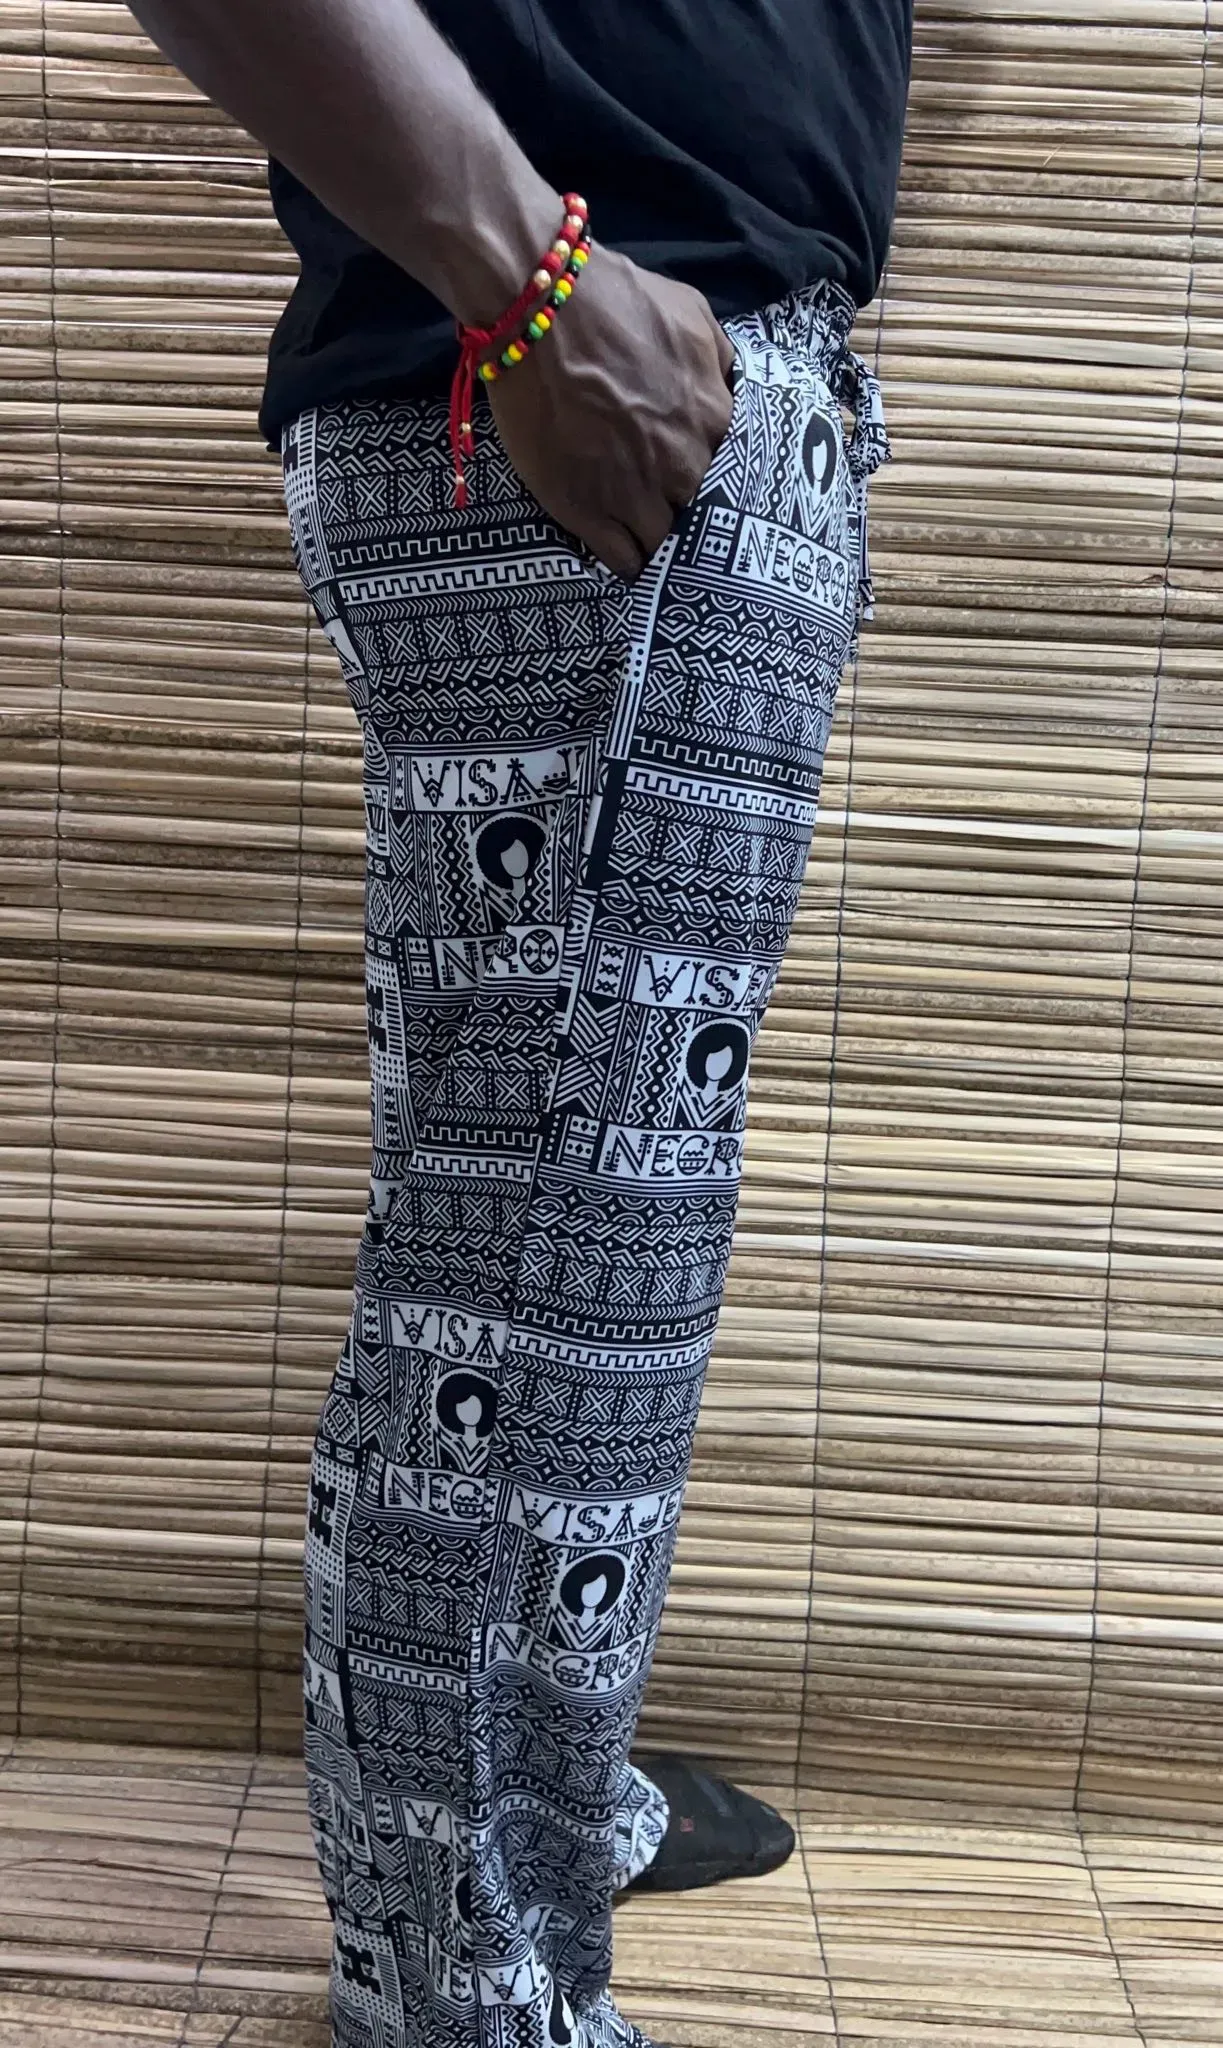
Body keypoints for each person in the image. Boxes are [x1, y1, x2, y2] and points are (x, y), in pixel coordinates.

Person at [126, 5, 913, 2045]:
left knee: (558, 1239)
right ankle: (464, 1988)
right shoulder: (559, 322)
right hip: (566, 379)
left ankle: (530, 1812)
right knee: (533, 1280)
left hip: (630, 363)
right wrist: (540, 289)